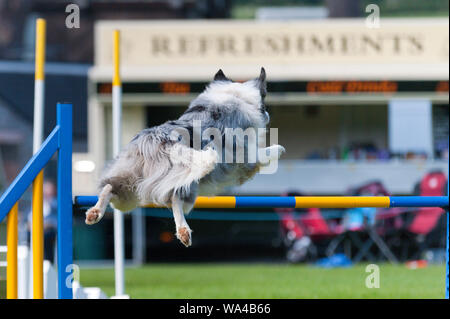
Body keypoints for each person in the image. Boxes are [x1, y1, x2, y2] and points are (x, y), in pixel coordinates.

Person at [27, 180, 58, 263]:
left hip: (48, 231)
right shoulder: (35, 203)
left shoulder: (55, 204)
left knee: (46, 236)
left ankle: (47, 262)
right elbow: (28, 219)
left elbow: (55, 222)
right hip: (34, 230)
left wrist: (44, 225)